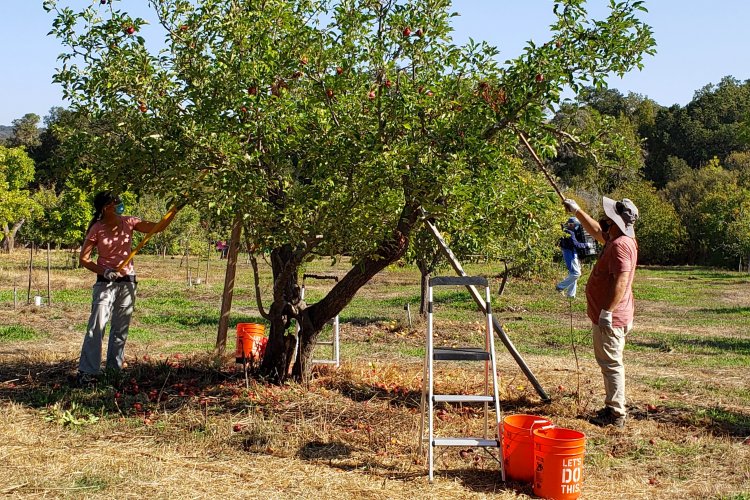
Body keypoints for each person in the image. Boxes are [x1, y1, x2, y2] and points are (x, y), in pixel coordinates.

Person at [76, 191, 176, 385]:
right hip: (106, 284)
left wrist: (175, 210)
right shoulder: (97, 228)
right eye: (116, 203)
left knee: (120, 329)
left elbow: (158, 227)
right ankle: (88, 372)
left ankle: (114, 370)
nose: (120, 205)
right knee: (97, 326)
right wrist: (104, 271)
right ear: (106, 207)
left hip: (127, 282)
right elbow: (84, 259)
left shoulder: (129, 222)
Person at [563, 196, 639, 428]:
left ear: (615, 221)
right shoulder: (614, 238)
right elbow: (596, 230)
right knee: (609, 362)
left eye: (609, 216)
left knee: (611, 363)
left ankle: (616, 414)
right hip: (611, 315)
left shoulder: (620, 246)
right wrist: (577, 211)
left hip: (612, 318)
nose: (604, 219)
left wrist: (607, 311)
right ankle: (613, 407)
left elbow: (622, 280)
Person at [555, 216, 588, 298]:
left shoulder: (565, 231)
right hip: (570, 254)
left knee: (573, 274)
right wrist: (586, 245)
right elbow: (575, 244)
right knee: (576, 273)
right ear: (573, 225)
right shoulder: (570, 232)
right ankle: (560, 286)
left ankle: (571, 295)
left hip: (571, 253)